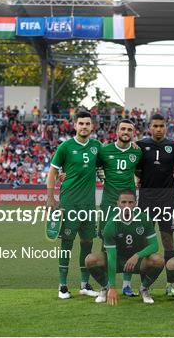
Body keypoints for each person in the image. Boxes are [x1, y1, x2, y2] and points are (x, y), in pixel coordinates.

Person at [46, 110, 101, 299]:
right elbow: (52, 172)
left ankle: (85, 284)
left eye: (87, 123)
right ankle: (62, 286)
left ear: (92, 126)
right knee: (67, 244)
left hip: (88, 206)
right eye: (81, 123)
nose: (84, 126)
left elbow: (110, 159)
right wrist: (50, 198)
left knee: (87, 243)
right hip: (69, 203)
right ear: (75, 125)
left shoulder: (97, 146)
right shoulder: (66, 147)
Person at [85, 189, 164, 305]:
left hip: (137, 262)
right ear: (118, 204)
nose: (127, 206)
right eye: (123, 202)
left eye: (130, 202)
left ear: (135, 204)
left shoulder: (144, 219)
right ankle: (105, 287)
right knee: (90, 260)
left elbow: (154, 246)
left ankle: (144, 289)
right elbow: (111, 258)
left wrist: (137, 255)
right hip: (117, 260)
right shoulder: (111, 225)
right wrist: (112, 287)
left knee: (159, 260)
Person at [136, 113, 174, 297]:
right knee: (144, 241)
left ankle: (170, 284)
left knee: (168, 240)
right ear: (150, 127)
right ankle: (143, 285)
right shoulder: (140, 145)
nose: (158, 129)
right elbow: (136, 170)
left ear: (166, 127)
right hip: (146, 200)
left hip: (167, 200)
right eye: (155, 126)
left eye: (162, 126)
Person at [98, 119, 142, 296]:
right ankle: (106, 284)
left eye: (129, 129)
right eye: (123, 129)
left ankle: (126, 284)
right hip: (109, 203)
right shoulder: (105, 150)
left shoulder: (137, 153)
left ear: (133, 133)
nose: (126, 132)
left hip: (128, 205)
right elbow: (90, 167)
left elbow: (141, 171)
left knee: (128, 243)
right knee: (104, 243)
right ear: (116, 131)